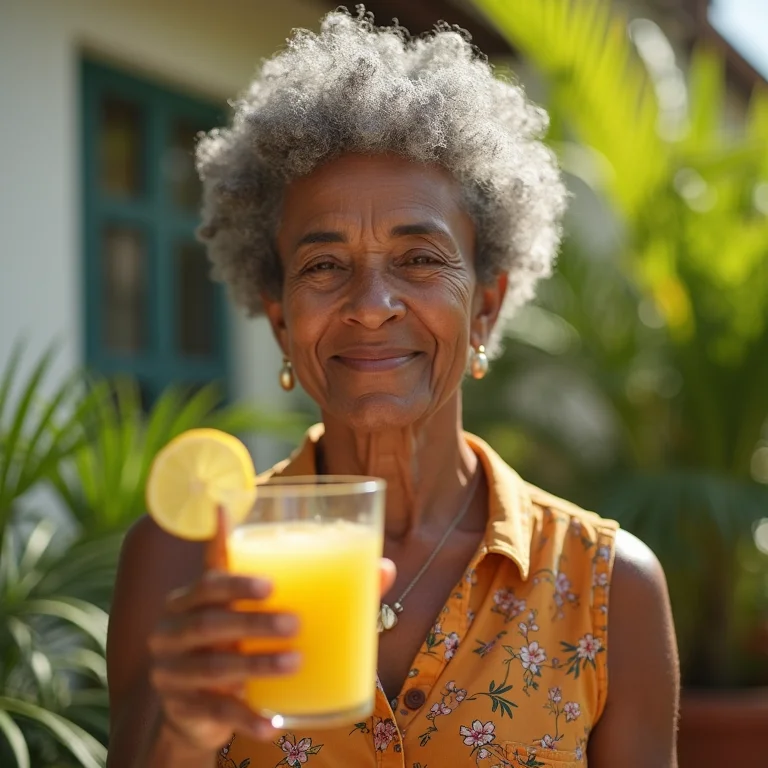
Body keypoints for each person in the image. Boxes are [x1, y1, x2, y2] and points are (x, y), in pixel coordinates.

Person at [106, 8, 679, 768]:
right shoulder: (189, 559)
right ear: (280, 319)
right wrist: (179, 736)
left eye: (418, 259)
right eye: (323, 265)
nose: (371, 304)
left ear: (487, 303)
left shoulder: (610, 588)